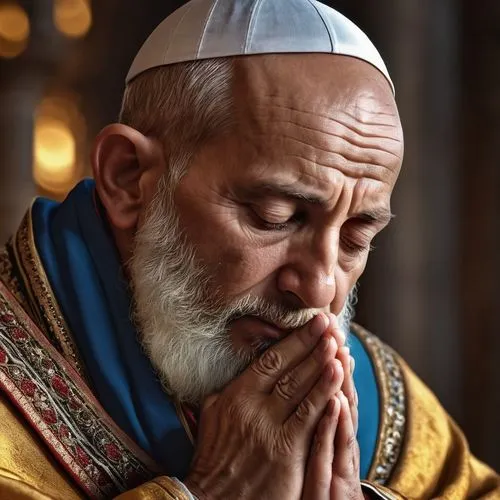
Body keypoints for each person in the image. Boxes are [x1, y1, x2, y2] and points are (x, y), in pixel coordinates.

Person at [0, 0, 498, 498]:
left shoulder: (384, 404)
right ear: (128, 177)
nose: (321, 288)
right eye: (274, 217)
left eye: (356, 237)